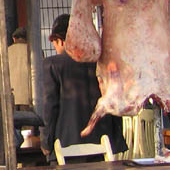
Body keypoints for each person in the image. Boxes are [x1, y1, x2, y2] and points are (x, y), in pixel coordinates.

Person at [40, 14, 127, 165]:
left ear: (60, 40)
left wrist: (45, 142)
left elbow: (49, 107)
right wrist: (116, 139)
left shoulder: (52, 65)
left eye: (54, 43)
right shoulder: (103, 63)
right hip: (103, 145)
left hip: (65, 147)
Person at [8, 27, 31, 110]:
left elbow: (0, 80)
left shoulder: (4, 52)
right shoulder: (33, 51)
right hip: (29, 98)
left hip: (10, 98)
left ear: (14, 38)